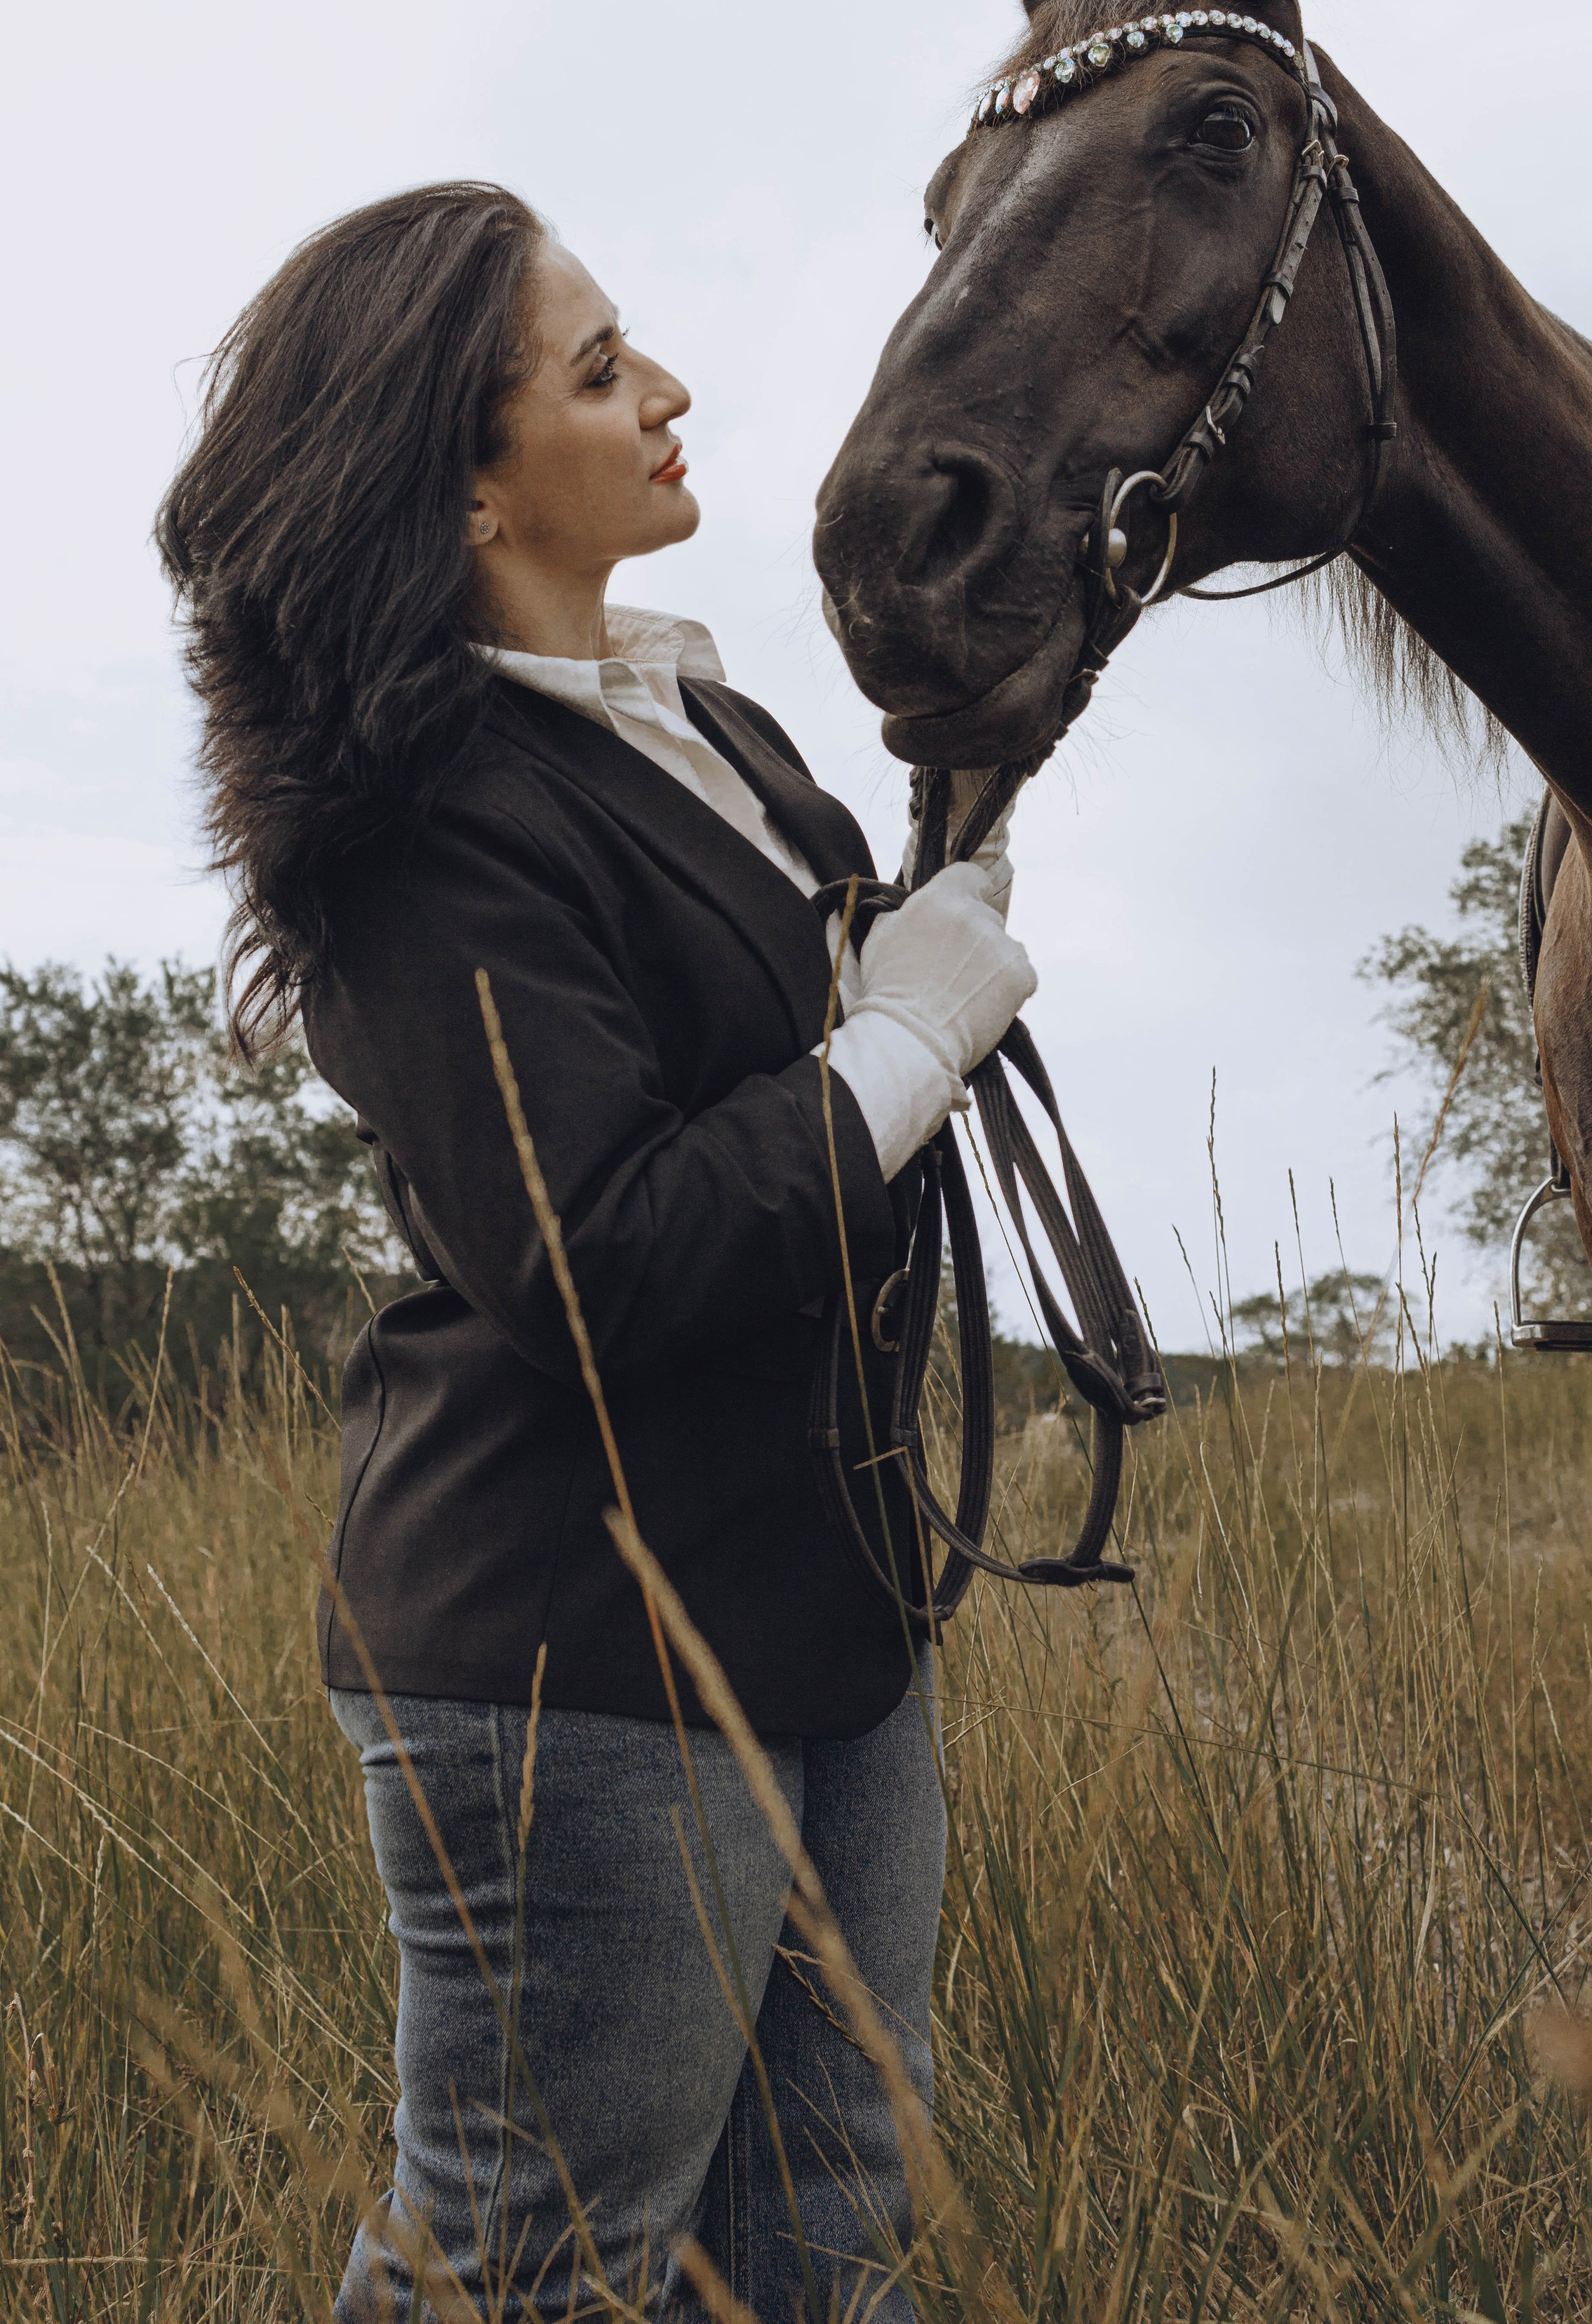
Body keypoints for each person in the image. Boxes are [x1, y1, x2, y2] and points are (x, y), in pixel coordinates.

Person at [155, 182, 1035, 2321]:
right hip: (577, 1655)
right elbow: (603, 1257)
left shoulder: (704, 727)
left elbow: (799, 1068)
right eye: (596, 369)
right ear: (466, 484)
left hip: (830, 1594)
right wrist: (912, 1027)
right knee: (534, 2268)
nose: (669, 391)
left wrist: (942, 894)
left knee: (832, 2230)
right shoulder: (422, 813)